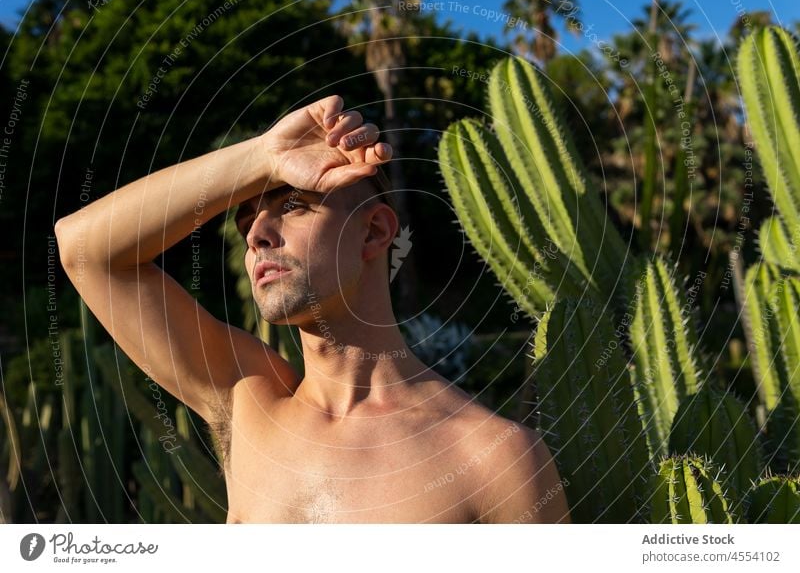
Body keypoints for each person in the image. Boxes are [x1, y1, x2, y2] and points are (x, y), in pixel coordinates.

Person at [55, 95, 570, 523]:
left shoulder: (494, 460)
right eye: (247, 223)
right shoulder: (248, 402)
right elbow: (84, 248)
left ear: (374, 231)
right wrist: (263, 156)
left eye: (293, 206)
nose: (256, 235)